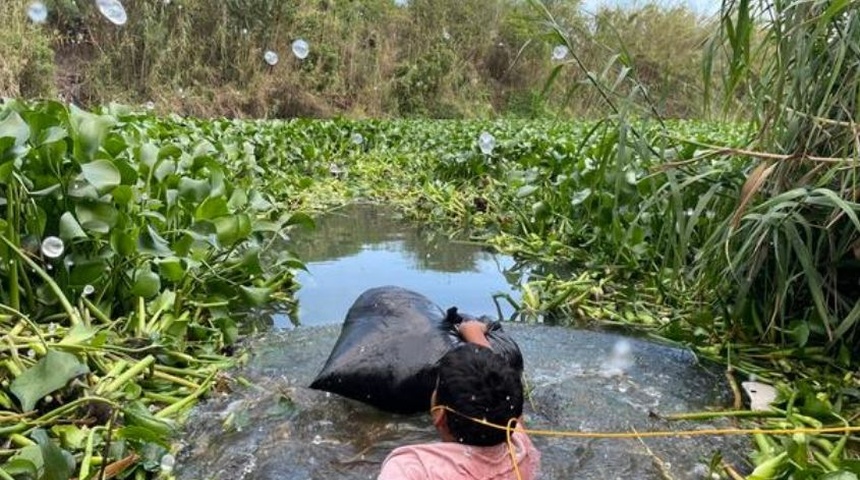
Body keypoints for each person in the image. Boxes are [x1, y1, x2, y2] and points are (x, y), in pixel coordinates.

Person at [378, 320, 541, 479]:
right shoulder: (522, 451)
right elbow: (507, 392)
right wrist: (474, 333)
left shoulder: (411, 468)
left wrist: (470, 330)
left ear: (439, 414)